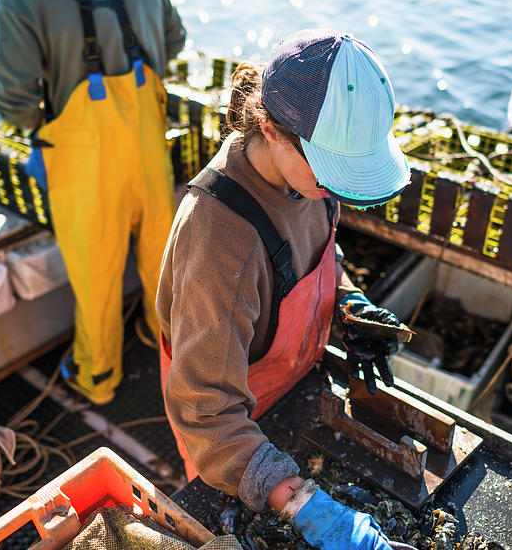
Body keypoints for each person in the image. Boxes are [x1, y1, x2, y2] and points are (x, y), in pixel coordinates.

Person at [156, 29, 411, 550]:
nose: (337, 190)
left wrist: (349, 304)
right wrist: (304, 504)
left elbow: (316, 258)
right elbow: (206, 412)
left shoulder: (307, 181)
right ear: (271, 128)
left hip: (293, 381)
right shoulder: (221, 240)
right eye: (333, 173)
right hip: (230, 426)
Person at [0, 0, 186, 405]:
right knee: (165, 262)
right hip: (149, 149)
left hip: (85, 163)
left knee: (95, 276)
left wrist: (51, 113)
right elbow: (175, 41)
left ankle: (97, 379)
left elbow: (15, 102)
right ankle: (178, 362)